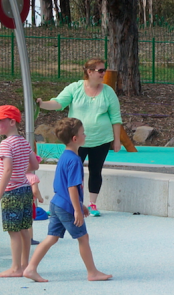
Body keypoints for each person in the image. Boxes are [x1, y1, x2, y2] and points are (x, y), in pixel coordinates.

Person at [23, 118, 112, 283]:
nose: (85, 135)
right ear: (75, 139)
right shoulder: (75, 160)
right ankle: (92, 272)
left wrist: (81, 205)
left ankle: (31, 268)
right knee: (83, 238)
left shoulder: (65, 156)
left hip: (57, 203)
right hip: (67, 207)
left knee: (52, 237)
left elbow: (64, 186)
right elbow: (72, 187)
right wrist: (77, 209)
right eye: (82, 133)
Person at [36, 58, 122, 216]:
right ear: (89, 72)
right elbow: (58, 103)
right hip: (76, 141)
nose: (104, 73)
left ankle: (92, 205)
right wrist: (42, 104)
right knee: (70, 171)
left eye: (104, 70)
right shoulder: (75, 88)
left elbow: (116, 118)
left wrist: (117, 140)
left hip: (101, 140)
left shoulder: (108, 92)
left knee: (95, 171)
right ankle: (61, 202)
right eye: (100, 70)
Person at [0, 105, 39, 278]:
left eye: (0, 120)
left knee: (13, 232)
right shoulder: (23, 141)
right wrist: (22, 169)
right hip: (25, 189)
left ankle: (16, 268)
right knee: (24, 230)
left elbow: (7, 170)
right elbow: (35, 165)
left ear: (11, 121)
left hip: (12, 192)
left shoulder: (5, 143)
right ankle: (24, 265)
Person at [26, 156, 44, 245]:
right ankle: (30, 239)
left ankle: (20, 239)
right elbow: (35, 191)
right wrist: (40, 198)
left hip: (19, 200)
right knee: (29, 222)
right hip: (29, 202)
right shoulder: (33, 177)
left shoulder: (18, 175)